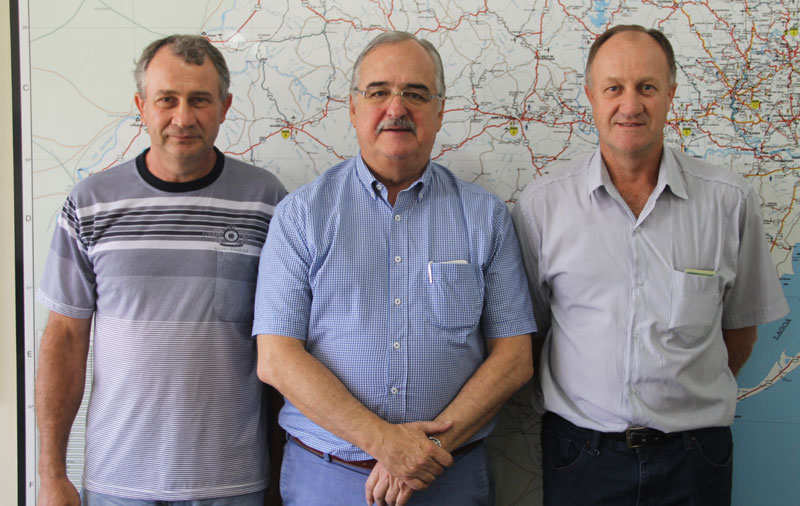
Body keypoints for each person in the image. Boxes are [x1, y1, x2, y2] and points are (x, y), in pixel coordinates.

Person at [252, 31, 536, 506]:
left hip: (450, 476)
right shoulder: (301, 215)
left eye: (416, 94)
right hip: (328, 477)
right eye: (378, 91)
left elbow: (514, 358)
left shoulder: (485, 216)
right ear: (353, 107)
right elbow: (277, 358)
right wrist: (385, 443)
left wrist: (425, 450)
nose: (397, 107)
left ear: (440, 111)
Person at [513, 24, 790, 506]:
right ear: (591, 96)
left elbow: (740, 332)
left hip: (694, 459)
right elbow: (530, 333)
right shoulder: (542, 206)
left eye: (646, 87)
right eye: (613, 88)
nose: (630, 104)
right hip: (581, 457)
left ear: (670, 94)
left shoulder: (728, 202)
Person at [35, 34, 286, 505]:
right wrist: (51, 475)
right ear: (141, 106)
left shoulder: (266, 202)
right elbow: (64, 339)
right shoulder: (90, 204)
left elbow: (282, 350)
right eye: (167, 99)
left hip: (232, 484)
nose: (183, 118)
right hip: (117, 485)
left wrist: (278, 481)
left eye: (200, 100)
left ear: (225, 107)